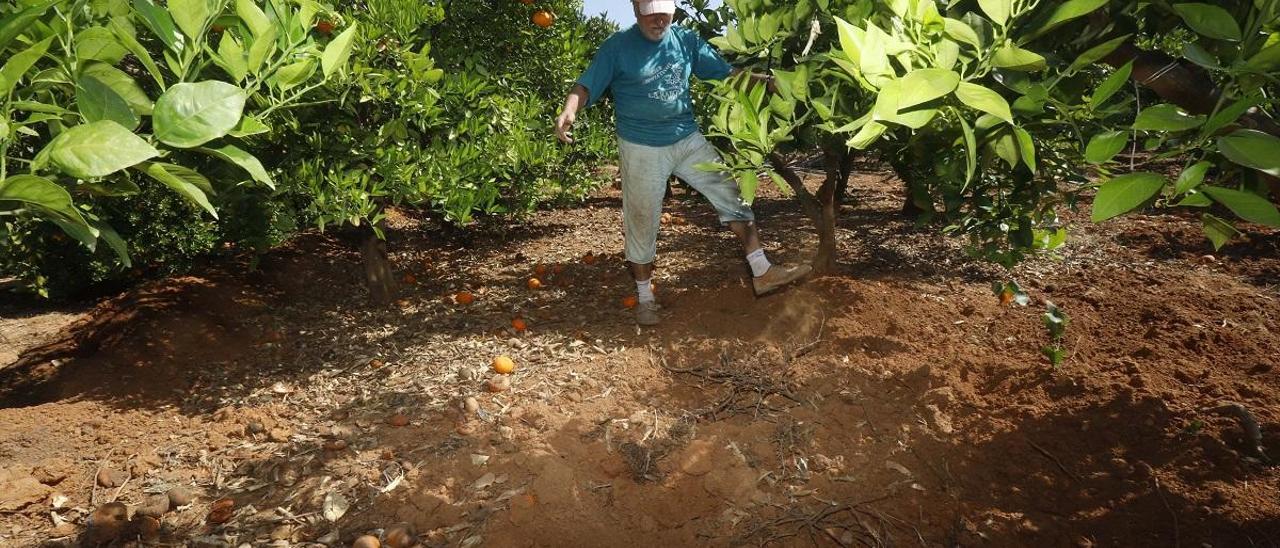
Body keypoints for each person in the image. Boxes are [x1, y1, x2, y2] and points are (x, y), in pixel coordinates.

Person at [554, 0, 811, 327]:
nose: (658, 20)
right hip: (640, 146)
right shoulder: (617, 47)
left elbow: (727, 74)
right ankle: (645, 298)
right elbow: (585, 85)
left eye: (664, 12)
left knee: (731, 191)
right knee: (642, 220)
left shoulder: (686, 41)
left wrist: (770, 83)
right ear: (636, 10)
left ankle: (761, 270)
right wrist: (570, 109)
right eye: (651, 14)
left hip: (686, 138)